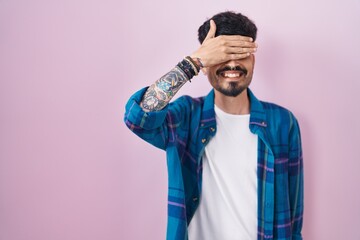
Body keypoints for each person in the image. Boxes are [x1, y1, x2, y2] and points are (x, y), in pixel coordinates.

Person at [124, 11, 304, 240]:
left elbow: (294, 221)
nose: (232, 63)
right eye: (222, 55)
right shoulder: (186, 117)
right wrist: (192, 63)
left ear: (253, 59)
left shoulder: (283, 123)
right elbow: (138, 117)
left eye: (241, 54)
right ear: (206, 63)